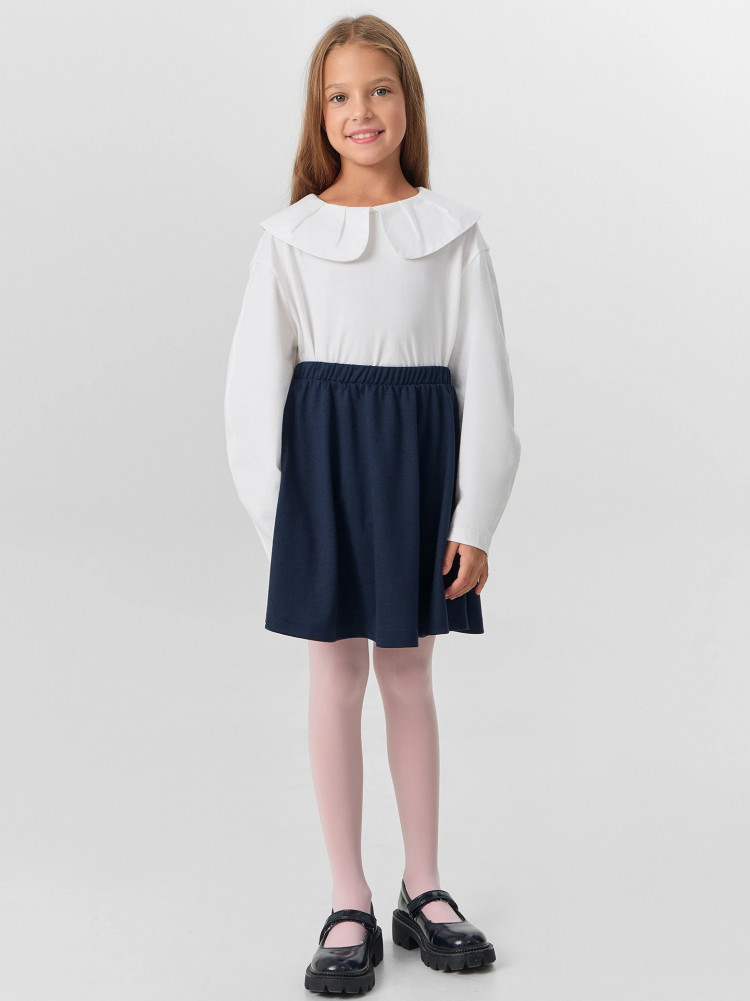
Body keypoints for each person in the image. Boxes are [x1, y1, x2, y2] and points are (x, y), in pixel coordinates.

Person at [224, 14, 521, 994]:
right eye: (341, 95)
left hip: (418, 471)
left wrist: (474, 518)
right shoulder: (289, 239)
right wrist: (282, 526)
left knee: (408, 671)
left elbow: (487, 384)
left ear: (408, 103)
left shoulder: (453, 235)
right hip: (323, 476)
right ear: (321, 113)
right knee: (335, 676)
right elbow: (251, 397)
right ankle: (347, 894)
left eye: (380, 90)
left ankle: (422, 885)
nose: (362, 111)